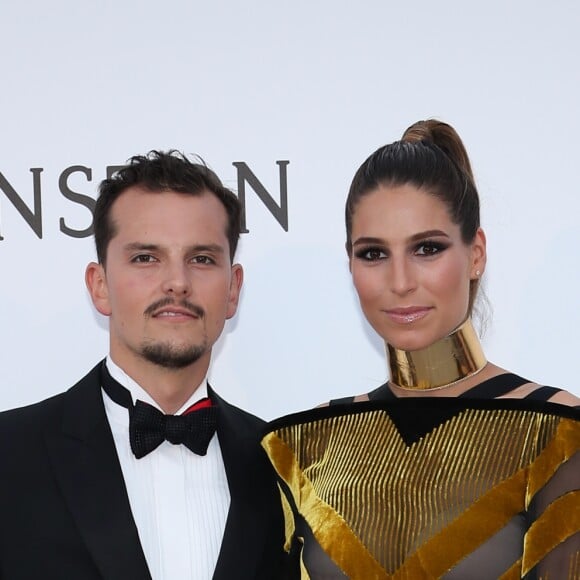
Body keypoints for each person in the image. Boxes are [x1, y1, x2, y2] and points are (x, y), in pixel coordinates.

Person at [262, 121, 580, 579]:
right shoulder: (302, 445)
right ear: (349, 261)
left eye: (427, 248)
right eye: (373, 253)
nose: (400, 282)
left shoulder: (557, 433)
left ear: (476, 254)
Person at [0, 151, 295, 579]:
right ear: (99, 286)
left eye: (202, 258)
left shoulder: (286, 468)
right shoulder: (9, 457)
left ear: (233, 290)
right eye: (146, 258)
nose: (177, 281)